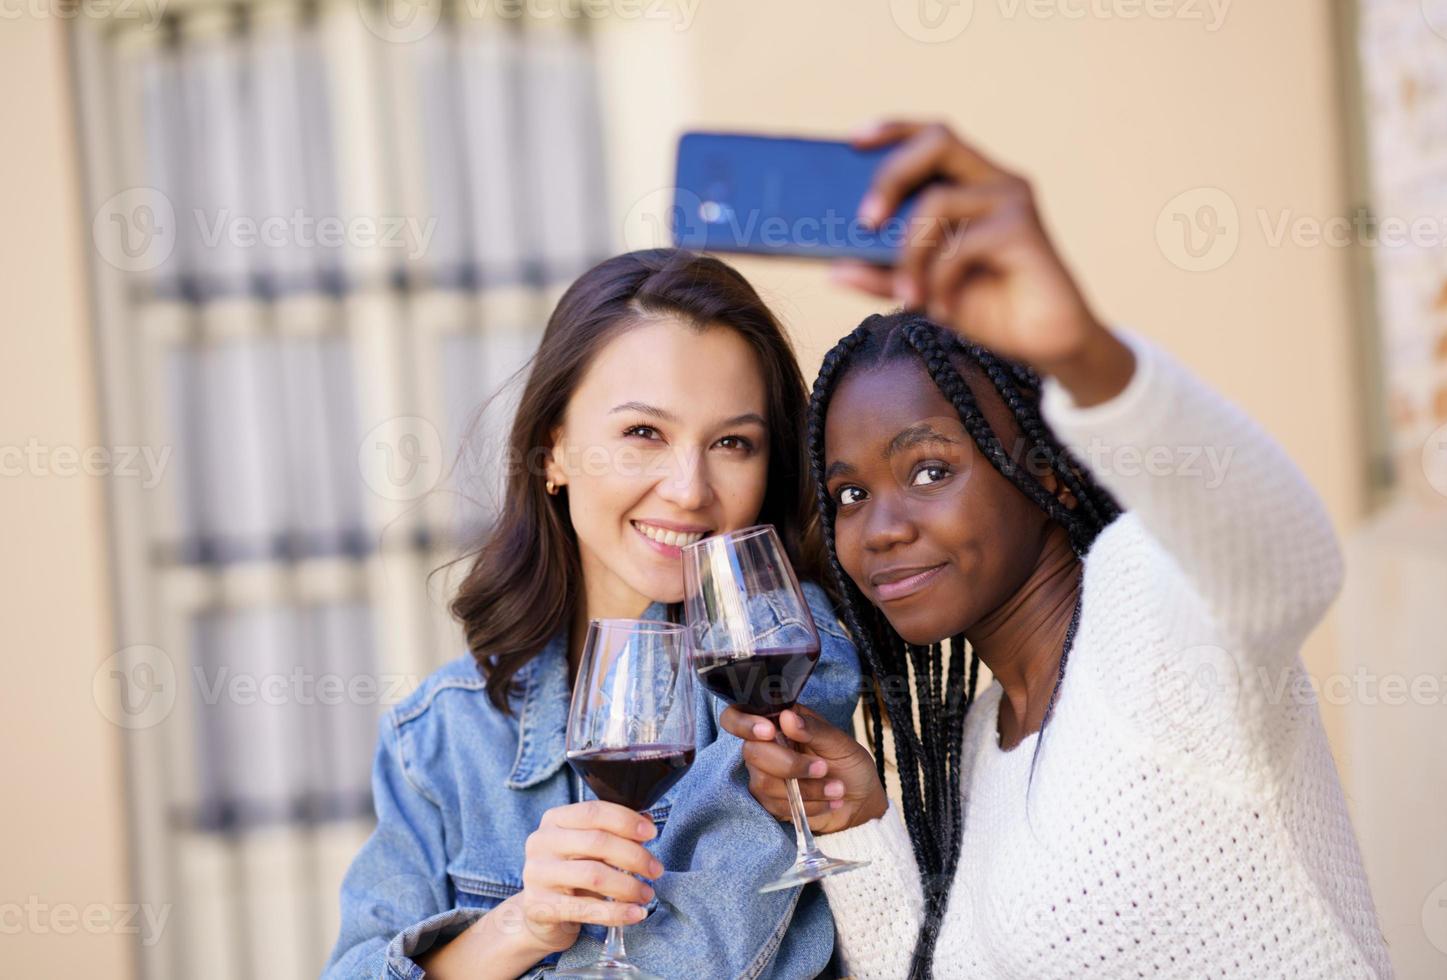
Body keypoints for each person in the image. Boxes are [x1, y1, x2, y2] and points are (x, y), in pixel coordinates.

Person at [721, 121, 1392, 978]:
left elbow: (1289, 561)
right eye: (849, 494)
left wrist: (1082, 351)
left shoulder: (1146, 612)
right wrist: (856, 823)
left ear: (1055, 478)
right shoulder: (980, 734)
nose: (879, 527)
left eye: (929, 470)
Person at [325, 249, 862, 979]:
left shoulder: (787, 655)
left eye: (733, 443)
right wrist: (523, 924)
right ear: (554, 452)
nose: (688, 489)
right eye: (644, 433)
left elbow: (701, 959)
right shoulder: (441, 735)